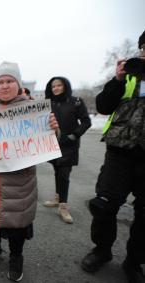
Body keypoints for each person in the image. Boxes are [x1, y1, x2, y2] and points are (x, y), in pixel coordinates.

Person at [0, 61, 60, 282]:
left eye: (10, 81)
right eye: (0, 82)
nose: (5, 86)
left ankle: (17, 256)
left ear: (19, 84)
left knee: (17, 224)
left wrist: (54, 130)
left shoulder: (33, 108)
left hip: (19, 183)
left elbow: (49, 145)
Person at [81, 30, 145, 283]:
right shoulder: (129, 74)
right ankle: (102, 250)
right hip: (119, 152)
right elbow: (103, 106)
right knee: (104, 204)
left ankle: (134, 261)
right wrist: (118, 79)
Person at [43, 77, 91, 223]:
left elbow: (86, 121)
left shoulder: (76, 101)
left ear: (65, 86)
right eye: (53, 86)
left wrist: (74, 135)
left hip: (69, 144)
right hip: (53, 144)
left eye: (59, 85)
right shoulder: (48, 104)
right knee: (57, 170)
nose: (56, 88)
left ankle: (63, 206)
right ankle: (58, 198)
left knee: (64, 174)